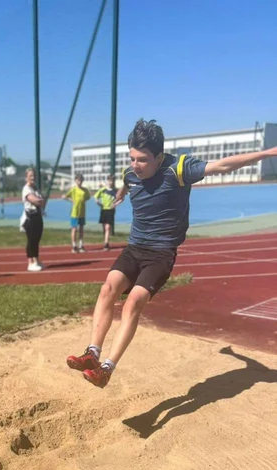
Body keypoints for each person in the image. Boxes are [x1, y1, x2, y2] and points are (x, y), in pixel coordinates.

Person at [66, 117, 277, 389]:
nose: (135, 165)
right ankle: (92, 353)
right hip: (134, 247)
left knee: (133, 303)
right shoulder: (130, 173)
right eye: (131, 157)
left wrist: (268, 152)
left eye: (142, 159)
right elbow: (127, 179)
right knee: (108, 288)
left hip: (161, 253)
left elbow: (223, 165)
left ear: (159, 156)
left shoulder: (179, 168)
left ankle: (107, 368)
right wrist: (120, 193)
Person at [21, 168, 45, 271]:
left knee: (37, 239)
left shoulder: (35, 188)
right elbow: (35, 200)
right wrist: (39, 200)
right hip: (30, 217)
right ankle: (30, 263)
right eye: (30, 176)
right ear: (26, 177)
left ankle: (37, 260)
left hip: (38, 215)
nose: (33, 177)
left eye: (33, 175)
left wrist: (40, 200)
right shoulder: (26, 189)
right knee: (31, 240)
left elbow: (42, 200)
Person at [63, 173, 91, 253]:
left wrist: (82, 201)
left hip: (82, 212)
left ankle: (81, 245)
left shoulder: (85, 190)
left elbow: (88, 197)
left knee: (81, 229)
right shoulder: (73, 189)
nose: (80, 182)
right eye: (78, 180)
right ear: (75, 181)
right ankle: (74, 245)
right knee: (74, 229)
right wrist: (71, 200)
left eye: (81, 180)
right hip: (75, 213)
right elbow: (65, 196)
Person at [94, 175, 117, 251]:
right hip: (103, 210)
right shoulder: (103, 190)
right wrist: (98, 203)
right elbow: (96, 197)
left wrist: (115, 204)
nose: (111, 182)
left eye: (112, 181)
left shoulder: (115, 190)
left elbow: (121, 198)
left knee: (108, 227)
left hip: (111, 210)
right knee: (104, 228)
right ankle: (105, 240)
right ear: (107, 181)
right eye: (110, 180)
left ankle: (106, 243)